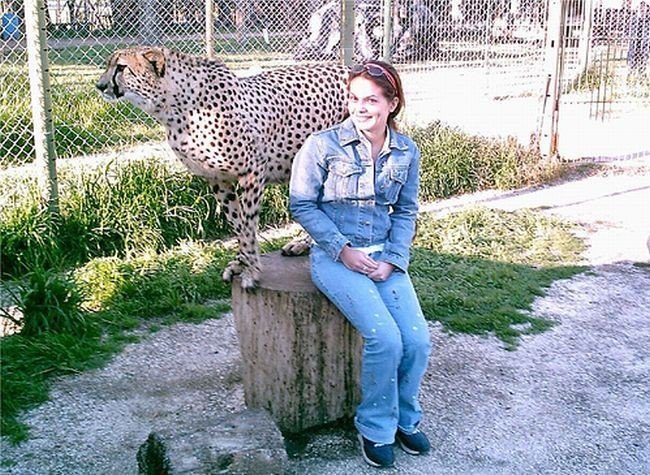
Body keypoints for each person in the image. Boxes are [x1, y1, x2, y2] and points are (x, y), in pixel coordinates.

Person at [289, 60, 431, 468]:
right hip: (336, 256)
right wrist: (341, 248)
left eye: (371, 99)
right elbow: (301, 203)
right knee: (385, 338)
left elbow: (405, 211)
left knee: (417, 340)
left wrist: (393, 258)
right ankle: (374, 428)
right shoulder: (322, 145)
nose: (361, 107)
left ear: (392, 103)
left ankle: (406, 419)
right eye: (354, 98)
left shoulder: (406, 151)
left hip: (383, 255)